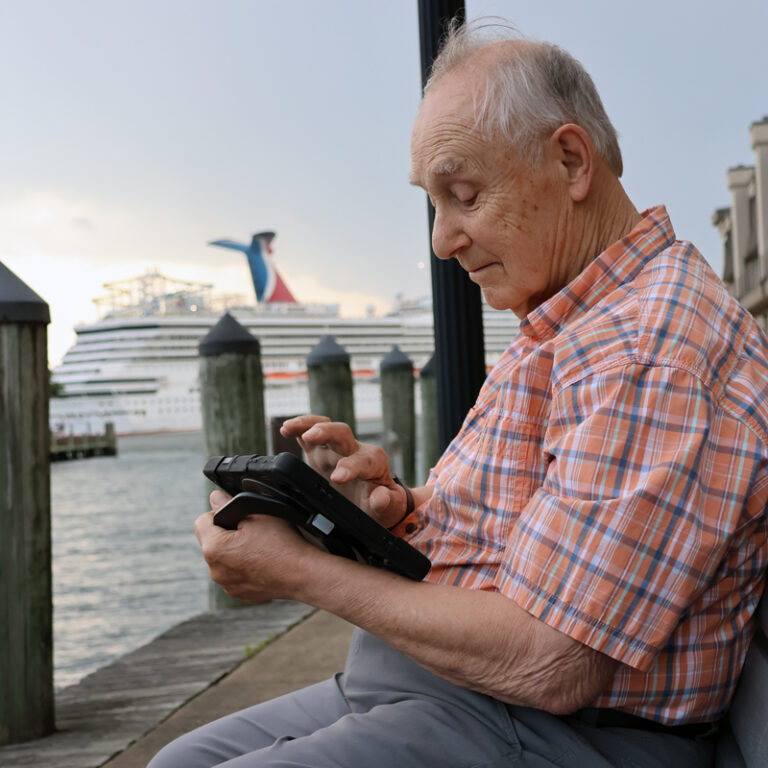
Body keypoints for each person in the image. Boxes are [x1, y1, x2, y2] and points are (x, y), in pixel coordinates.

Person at [149, 21, 768, 768]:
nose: (443, 240)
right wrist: (400, 509)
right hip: (452, 690)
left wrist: (299, 571)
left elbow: (554, 658)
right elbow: (536, 528)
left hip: (547, 725)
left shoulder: (646, 351)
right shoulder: (573, 314)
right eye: (433, 204)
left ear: (571, 160)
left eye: (464, 194)